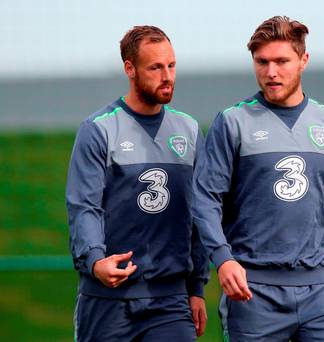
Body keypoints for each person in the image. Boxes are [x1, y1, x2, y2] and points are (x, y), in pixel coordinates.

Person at [192, 16, 324, 341]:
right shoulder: (232, 123)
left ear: (303, 61)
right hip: (252, 291)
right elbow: (204, 202)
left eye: (281, 61)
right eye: (262, 62)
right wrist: (223, 259)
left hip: (322, 291)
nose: (271, 72)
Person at [66, 25, 208, 341]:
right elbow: (84, 206)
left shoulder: (189, 131)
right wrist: (95, 260)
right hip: (107, 301)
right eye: (155, 67)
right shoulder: (98, 130)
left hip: (170, 302)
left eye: (171, 65)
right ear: (130, 69)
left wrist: (196, 286)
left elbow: (199, 214)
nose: (167, 75)